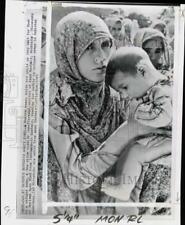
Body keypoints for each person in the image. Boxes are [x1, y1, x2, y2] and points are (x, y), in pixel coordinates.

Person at [38, 11, 170, 215]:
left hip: (124, 188)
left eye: (106, 44)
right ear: (69, 50)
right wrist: (129, 131)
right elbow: (75, 177)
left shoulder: (120, 85)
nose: (102, 57)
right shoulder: (55, 97)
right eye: (89, 46)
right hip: (80, 203)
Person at [103, 47, 171, 205]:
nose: (125, 95)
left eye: (125, 87)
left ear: (142, 71)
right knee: (134, 148)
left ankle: (123, 189)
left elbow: (164, 116)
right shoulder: (156, 88)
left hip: (172, 139)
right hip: (166, 136)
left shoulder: (161, 90)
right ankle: (123, 183)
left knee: (137, 152)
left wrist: (136, 111)